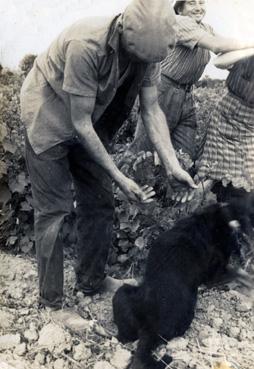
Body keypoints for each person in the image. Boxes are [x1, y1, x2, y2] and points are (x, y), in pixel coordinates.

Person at [20, 0, 196, 328]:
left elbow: (151, 108)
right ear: (124, 39)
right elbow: (80, 123)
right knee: (53, 212)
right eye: (139, 59)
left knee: (100, 201)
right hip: (48, 115)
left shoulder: (149, 49)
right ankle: (51, 304)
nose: (144, 65)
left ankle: (92, 280)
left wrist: (173, 165)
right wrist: (119, 176)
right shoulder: (85, 45)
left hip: (88, 118)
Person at [132, 0, 254, 174]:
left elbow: (228, 51)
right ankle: (131, 195)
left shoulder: (206, 29)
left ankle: (174, 197)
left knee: (185, 156)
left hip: (187, 94)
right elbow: (218, 45)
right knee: (144, 151)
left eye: (201, 2)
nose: (198, 7)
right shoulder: (179, 22)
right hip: (163, 91)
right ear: (180, 9)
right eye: (191, 3)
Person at [197, 53, 254, 203]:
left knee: (245, 171)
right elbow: (219, 62)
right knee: (217, 164)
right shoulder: (248, 55)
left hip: (249, 119)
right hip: (227, 112)